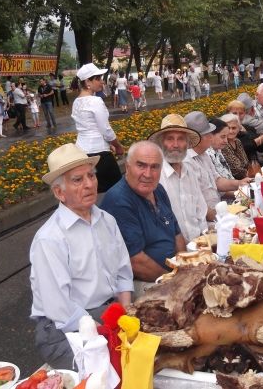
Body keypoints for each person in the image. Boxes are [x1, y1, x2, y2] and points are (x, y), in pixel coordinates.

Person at [29, 143, 134, 369]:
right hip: (63, 329)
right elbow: (59, 308)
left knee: (151, 352)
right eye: (77, 180)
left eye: (91, 176)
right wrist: (107, 333)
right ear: (59, 192)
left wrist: (125, 313)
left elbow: (123, 273)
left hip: (107, 311)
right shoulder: (50, 239)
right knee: (112, 370)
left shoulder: (107, 220)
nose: (89, 184)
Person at [100, 141, 186, 291]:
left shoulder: (158, 189)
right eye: (141, 165)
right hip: (144, 282)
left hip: (173, 273)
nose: (148, 174)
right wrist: (174, 281)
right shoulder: (119, 201)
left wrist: (185, 269)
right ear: (127, 167)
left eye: (154, 167)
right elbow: (136, 262)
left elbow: (177, 234)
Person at [148, 114, 208, 241]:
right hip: (173, 250)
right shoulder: (154, 177)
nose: (176, 145)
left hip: (199, 244)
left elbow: (201, 211)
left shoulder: (190, 170)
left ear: (187, 143)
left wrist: (204, 241)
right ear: (161, 143)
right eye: (170, 139)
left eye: (181, 139)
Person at [71, 63, 125, 193]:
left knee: (92, 192)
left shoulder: (77, 101)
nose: (102, 82)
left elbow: (87, 128)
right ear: (87, 81)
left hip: (82, 153)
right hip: (99, 154)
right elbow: (105, 129)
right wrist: (117, 146)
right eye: (98, 79)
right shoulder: (95, 101)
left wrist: (108, 144)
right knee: (119, 192)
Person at [220, 113, 249, 180]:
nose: (231, 131)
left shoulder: (237, 141)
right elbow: (236, 170)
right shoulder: (223, 144)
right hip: (233, 182)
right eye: (228, 128)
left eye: (234, 128)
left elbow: (246, 163)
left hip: (245, 178)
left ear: (239, 128)